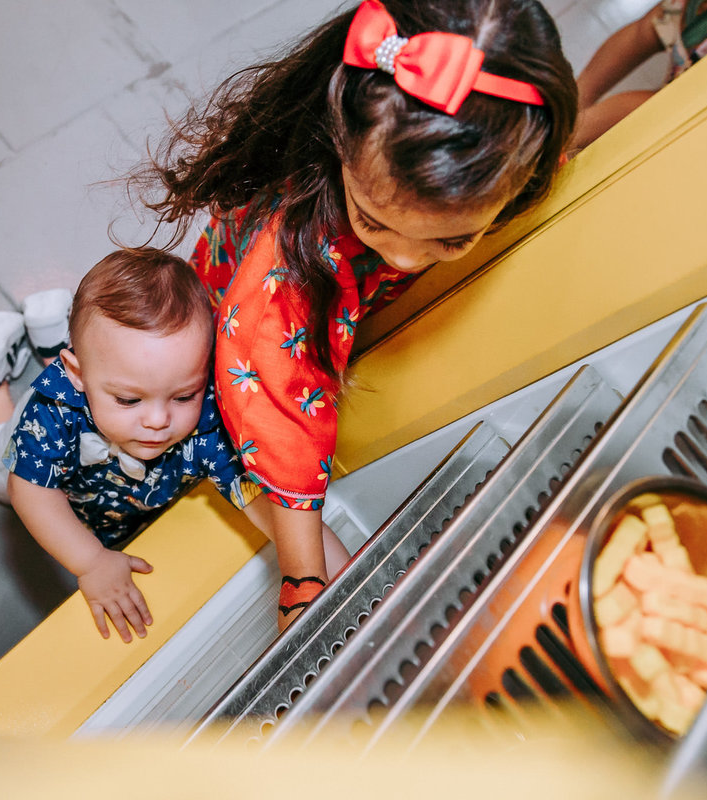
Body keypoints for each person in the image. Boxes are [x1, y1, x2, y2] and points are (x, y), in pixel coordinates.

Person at [135, 0, 577, 629]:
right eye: (371, 219)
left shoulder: (509, 167)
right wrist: (301, 579)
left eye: (450, 241)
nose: (399, 253)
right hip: (235, 347)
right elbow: (278, 411)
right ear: (337, 140)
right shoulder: (284, 263)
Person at [0, 248, 288, 643]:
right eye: (130, 400)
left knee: (112, 370)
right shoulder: (48, 413)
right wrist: (92, 562)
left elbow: (275, 508)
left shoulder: (207, 423)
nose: (158, 420)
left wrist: (314, 566)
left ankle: (52, 336)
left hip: (99, 427)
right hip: (33, 448)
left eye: (183, 395)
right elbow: (27, 491)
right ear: (76, 375)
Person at [572, 0, 707, 150]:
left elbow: (667, 100)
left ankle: (570, 131)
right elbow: (643, 34)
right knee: (649, 29)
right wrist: (573, 99)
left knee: (666, 99)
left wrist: (576, 130)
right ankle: (570, 107)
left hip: (705, 90)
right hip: (697, 27)